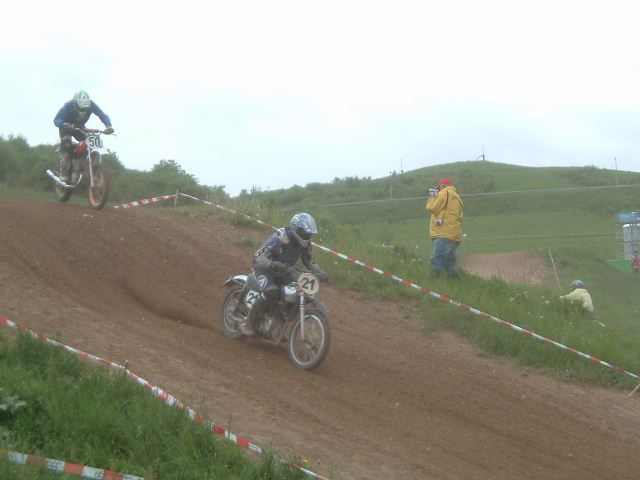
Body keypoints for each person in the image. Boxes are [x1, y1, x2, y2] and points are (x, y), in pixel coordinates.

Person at [239, 212, 329, 336]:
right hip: (264, 268)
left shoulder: (306, 244)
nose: (307, 236)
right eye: (305, 233)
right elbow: (258, 256)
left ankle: (276, 326)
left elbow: (309, 262)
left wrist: (320, 272)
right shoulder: (281, 237)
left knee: (296, 293)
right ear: (296, 229)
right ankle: (248, 323)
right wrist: (272, 264)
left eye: (309, 234)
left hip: (283, 270)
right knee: (271, 291)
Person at [53, 90, 114, 182]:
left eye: (85, 108)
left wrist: (108, 126)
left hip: (79, 127)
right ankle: (63, 171)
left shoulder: (91, 104)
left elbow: (102, 114)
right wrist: (63, 124)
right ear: (75, 103)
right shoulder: (68, 105)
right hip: (66, 128)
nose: (83, 111)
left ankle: (82, 165)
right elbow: (57, 119)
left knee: (88, 143)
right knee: (66, 145)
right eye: (81, 108)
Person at [426, 177, 464, 278]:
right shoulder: (457, 197)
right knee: (449, 262)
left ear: (443, 186)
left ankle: (434, 280)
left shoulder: (445, 193)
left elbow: (432, 208)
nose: (438, 190)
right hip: (454, 233)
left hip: (445, 233)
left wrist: (432, 197)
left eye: (439, 187)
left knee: (436, 258)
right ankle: (455, 281)